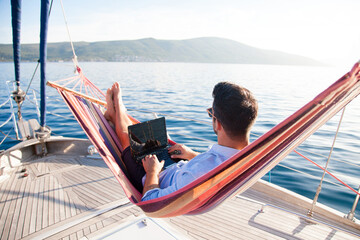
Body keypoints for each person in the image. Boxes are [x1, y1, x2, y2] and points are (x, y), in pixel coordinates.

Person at [104, 81, 258, 201]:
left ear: (217, 123)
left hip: (154, 178)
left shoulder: (197, 174)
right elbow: (213, 165)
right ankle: (117, 113)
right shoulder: (248, 158)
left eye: (211, 113)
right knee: (143, 137)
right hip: (179, 167)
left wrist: (152, 171)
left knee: (127, 139)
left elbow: (151, 199)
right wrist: (191, 154)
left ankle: (117, 110)